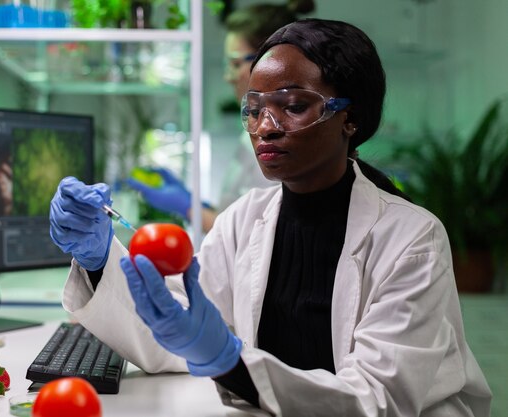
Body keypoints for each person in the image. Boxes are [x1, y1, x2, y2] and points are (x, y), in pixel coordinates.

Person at [49, 18, 492, 416]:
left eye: (293, 106)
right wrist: (95, 258)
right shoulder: (243, 221)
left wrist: (228, 360)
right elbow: (175, 338)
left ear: (350, 119)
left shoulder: (412, 238)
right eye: (256, 108)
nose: (266, 126)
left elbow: (378, 399)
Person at [127, 2, 315, 232]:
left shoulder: (281, 137)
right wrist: (195, 203)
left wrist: (186, 207)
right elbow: (242, 214)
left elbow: (254, 233)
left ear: (269, 62)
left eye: (235, 63)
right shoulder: (253, 129)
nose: (228, 76)